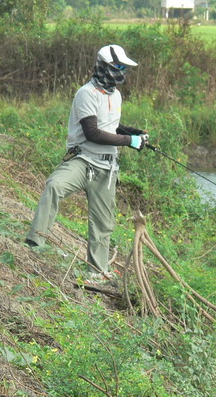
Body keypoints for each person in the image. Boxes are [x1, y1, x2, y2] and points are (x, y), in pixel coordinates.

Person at [25, 44, 147, 285]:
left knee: (103, 223)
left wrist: (134, 133)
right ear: (104, 66)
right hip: (83, 159)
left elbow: (110, 127)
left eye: (124, 68)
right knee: (54, 186)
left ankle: (97, 272)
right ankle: (34, 244)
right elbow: (92, 132)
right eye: (118, 67)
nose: (122, 72)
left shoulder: (116, 94)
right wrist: (129, 141)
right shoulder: (86, 93)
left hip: (107, 167)